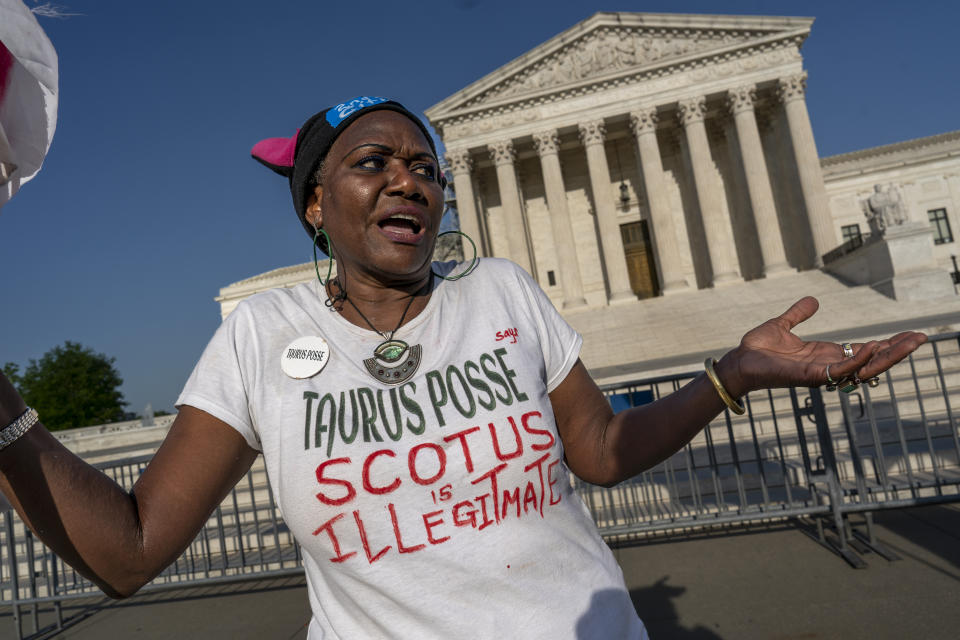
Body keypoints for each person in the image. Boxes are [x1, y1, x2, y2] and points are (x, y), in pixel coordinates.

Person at [0, 96, 927, 639]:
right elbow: (127, 552)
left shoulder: (502, 292)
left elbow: (600, 450)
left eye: (425, 165)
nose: (411, 179)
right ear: (317, 205)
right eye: (375, 162)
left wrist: (734, 373)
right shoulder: (261, 334)